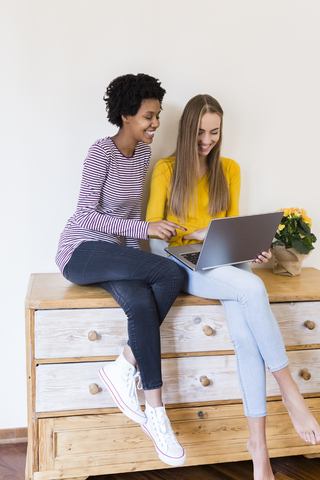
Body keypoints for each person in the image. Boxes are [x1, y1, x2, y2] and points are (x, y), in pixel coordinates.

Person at [146, 93, 320, 480]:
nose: (207, 141)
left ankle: (258, 449)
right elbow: (155, 242)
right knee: (253, 291)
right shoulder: (165, 170)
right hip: (182, 262)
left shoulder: (231, 169)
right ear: (186, 130)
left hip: (225, 261)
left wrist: (251, 251)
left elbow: (230, 229)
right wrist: (194, 233)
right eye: (199, 134)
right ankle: (290, 392)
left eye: (214, 132)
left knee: (245, 333)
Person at [55, 73, 187, 467]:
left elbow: (128, 217)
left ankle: (141, 394)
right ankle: (147, 399)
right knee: (171, 274)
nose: (155, 123)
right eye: (149, 115)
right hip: (81, 251)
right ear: (127, 115)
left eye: (158, 115)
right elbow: (86, 215)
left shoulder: (143, 156)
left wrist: (139, 249)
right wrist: (145, 230)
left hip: (113, 253)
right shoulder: (101, 152)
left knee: (144, 302)